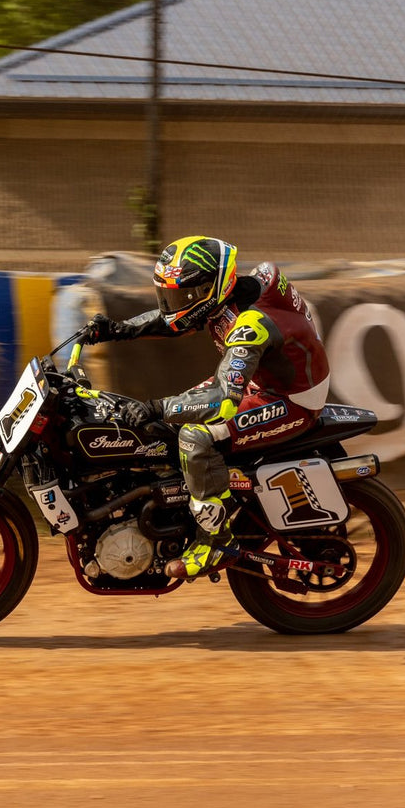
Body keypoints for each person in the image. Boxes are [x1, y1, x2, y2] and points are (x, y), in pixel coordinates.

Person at [84, 236, 332, 580]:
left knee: (195, 435)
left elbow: (222, 397)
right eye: (167, 293)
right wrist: (119, 329)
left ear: (211, 289)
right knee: (172, 422)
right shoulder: (225, 298)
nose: (173, 303)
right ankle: (189, 499)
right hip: (262, 383)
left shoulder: (251, 326)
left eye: (182, 296)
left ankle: (216, 540)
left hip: (291, 399)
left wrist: (156, 407)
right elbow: (175, 320)